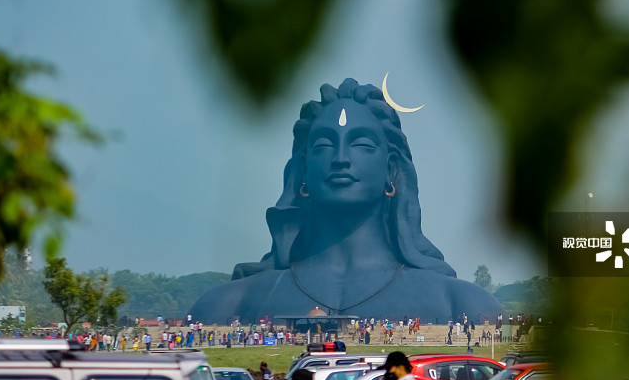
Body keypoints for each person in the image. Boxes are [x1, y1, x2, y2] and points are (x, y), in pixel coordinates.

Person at [189, 79, 503, 322]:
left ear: (391, 169)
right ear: (303, 170)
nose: (341, 159)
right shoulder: (228, 303)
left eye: (362, 144)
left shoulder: (463, 304)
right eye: (324, 145)